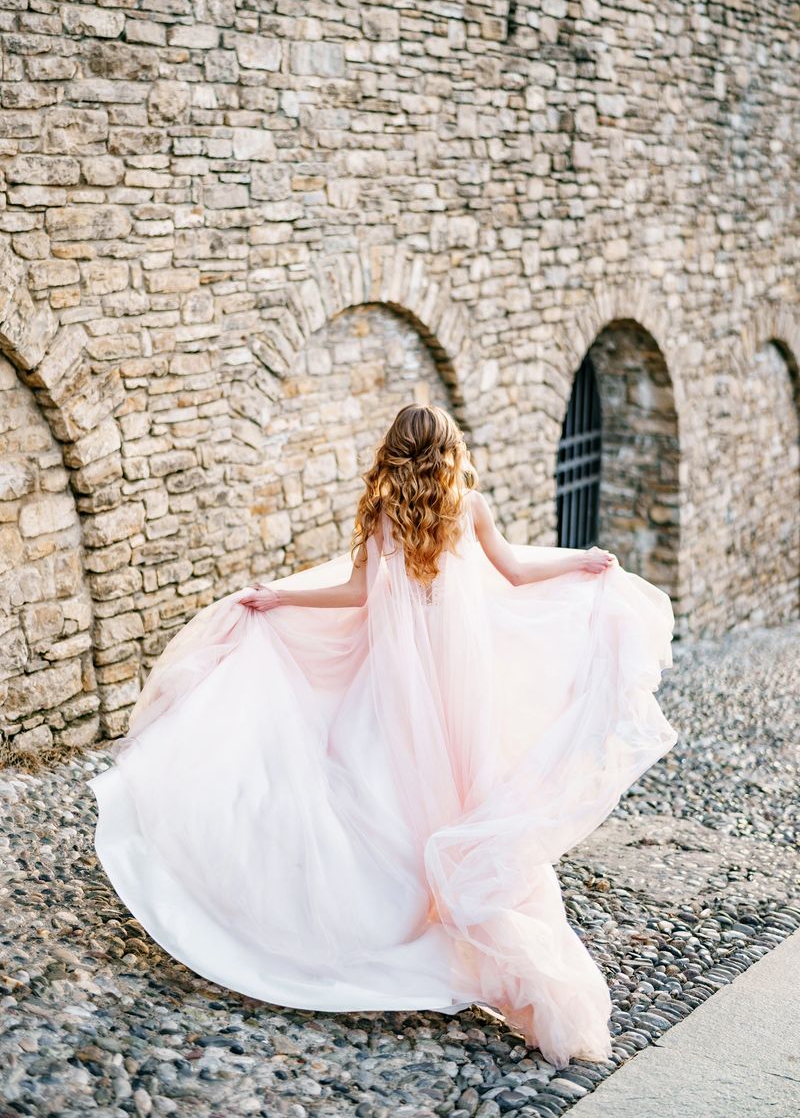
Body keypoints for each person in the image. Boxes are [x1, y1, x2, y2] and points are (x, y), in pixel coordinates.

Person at [89, 403, 677, 1069]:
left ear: (394, 452)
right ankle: (449, 913)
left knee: (370, 787)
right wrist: (583, 561)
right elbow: (514, 572)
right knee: (460, 792)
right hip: (460, 682)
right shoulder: (469, 507)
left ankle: (370, 920)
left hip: (395, 683)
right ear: (449, 449)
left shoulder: (382, 512)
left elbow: (357, 595)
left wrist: (280, 599)